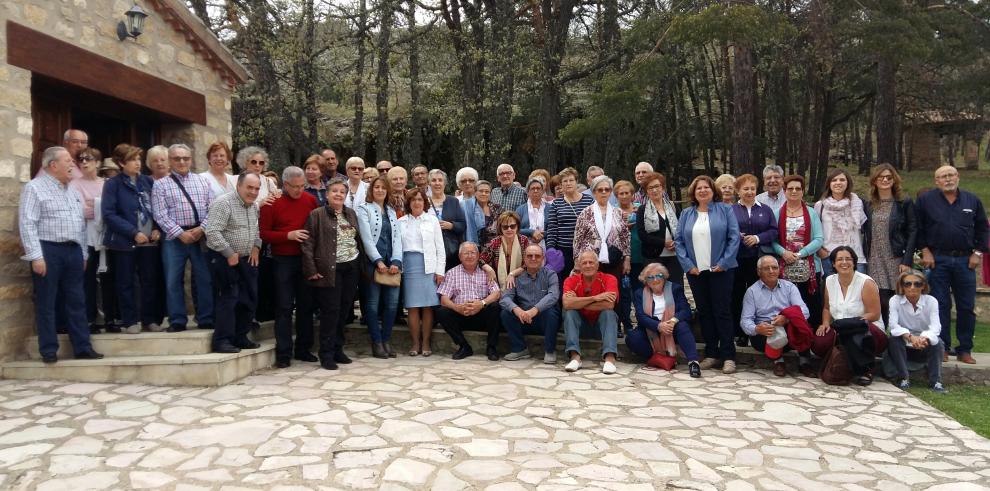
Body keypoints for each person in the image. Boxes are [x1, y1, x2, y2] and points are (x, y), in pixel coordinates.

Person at [19, 147, 102, 363]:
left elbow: (80, 225)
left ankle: (82, 347)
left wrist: (83, 253)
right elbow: (27, 224)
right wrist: (36, 256)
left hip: (73, 250)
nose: (73, 164)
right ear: (53, 165)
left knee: (77, 300)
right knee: (47, 300)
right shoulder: (34, 188)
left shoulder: (72, 191)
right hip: (48, 250)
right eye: (68, 161)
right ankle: (48, 350)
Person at [916, 165, 988, 364]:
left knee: (966, 306)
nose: (947, 179)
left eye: (951, 175)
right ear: (936, 181)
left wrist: (978, 253)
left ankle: (965, 349)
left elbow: (983, 228)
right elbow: (918, 228)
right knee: (940, 305)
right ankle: (943, 346)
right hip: (938, 259)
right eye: (942, 176)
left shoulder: (972, 200)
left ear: (958, 177)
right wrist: (925, 250)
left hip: (966, 261)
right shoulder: (925, 200)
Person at [676, 175, 741, 374]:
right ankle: (712, 354)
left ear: (713, 191)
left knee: (722, 311)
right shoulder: (686, 213)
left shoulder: (725, 210)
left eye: (706, 187)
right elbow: (678, 241)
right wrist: (688, 265)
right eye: (698, 188)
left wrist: (724, 262)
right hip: (696, 272)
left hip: (721, 270)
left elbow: (734, 237)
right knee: (704, 312)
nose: (703, 191)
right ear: (693, 193)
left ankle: (729, 356)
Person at [261, 166, 320, 368]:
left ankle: (304, 349)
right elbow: (264, 234)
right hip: (282, 260)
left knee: (306, 305)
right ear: (284, 185)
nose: (299, 190)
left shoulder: (310, 200)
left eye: (302, 186)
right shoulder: (272, 203)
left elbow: (317, 226)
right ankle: (284, 353)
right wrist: (288, 235)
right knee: (284, 307)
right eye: (295, 187)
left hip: (305, 259)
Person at [152, 144, 214, 332]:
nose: (182, 162)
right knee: (173, 280)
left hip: (200, 236)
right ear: (170, 160)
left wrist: (201, 229)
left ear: (191, 159)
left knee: (205, 278)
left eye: (185, 158)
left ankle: (206, 318)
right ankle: (177, 320)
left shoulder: (202, 181)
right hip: (173, 238)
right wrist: (180, 233)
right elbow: (159, 214)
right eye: (177, 158)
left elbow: (212, 208)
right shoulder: (160, 184)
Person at [102, 144, 163, 334]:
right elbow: (109, 214)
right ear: (121, 163)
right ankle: (130, 321)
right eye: (132, 160)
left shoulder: (148, 182)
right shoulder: (113, 184)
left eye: (138, 159)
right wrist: (132, 232)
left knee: (149, 281)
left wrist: (156, 228)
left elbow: (159, 208)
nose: (137, 163)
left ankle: (149, 319)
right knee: (125, 282)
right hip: (124, 242)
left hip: (149, 242)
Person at [301, 178, 361, 370]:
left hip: (350, 268)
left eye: (342, 192)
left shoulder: (350, 213)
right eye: (334, 191)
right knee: (330, 311)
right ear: (327, 194)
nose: (338, 194)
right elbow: (308, 244)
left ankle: (338, 349)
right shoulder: (316, 215)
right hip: (329, 270)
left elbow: (355, 238)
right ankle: (326, 353)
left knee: (344, 310)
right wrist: (311, 270)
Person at [205, 172, 263, 354]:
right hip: (224, 258)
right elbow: (212, 231)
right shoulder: (224, 203)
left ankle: (240, 336)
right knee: (229, 298)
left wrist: (256, 246)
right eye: (250, 187)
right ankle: (222, 340)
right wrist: (228, 252)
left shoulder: (253, 207)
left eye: (257, 188)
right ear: (239, 186)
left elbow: (256, 229)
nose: (253, 192)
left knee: (248, 299)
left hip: (247, 259)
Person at [814, 246, 888, 386]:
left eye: (848, 259)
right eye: (840, 259)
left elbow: (874, 314)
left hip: (867, 330)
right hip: (841, 329)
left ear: (854, 262)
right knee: (820, 343)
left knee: (855, 337)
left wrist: (849, 324)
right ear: (833, 264)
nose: (844, 262)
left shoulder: (866, 282)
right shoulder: (830, 280)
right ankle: (840, 361)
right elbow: (827, 308)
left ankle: (867, 369)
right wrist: (825, 323)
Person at [740, 256, 815, 377]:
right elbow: (745, 320)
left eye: (774, 267)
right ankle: (778, 361)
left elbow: (804, 311)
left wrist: (787, 318)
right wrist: (757, 329)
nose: (771, 271)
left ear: (779, 270)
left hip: (787, 328)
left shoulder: (790, 287)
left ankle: (805, 362)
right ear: (759, 272)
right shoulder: (752, 291)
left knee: (802, 324)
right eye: (766, 268)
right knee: (768, 331)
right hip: (766, 333)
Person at [574, 176, 632, 333]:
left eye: (607, 189)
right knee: (595, 291)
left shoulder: (618, 212)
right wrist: (577, 262)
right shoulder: (585, 213)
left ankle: (616, 325)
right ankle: (595, 326)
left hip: (614, 260)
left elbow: (625, 237)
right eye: (600, 190)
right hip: (591, 261)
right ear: (593, 192)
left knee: (614, 292)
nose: (604, 192)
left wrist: (627, 259)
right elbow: (578, 239)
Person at [863, 163, 917, 327]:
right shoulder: (869, 203)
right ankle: (882, 336)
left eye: (889, 177)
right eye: (881, 177)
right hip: (874, 257)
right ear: (875, 180)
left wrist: (907, 260)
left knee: (899, 297)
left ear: (894, 180)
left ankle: (901, 334)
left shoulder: (903, 202)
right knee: (881, 298)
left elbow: (913, 230)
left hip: (896, 257)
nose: (885, 180)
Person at [357, 176, 404, 359]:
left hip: (392, 264)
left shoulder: (392, 211)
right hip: (372, 264)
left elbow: (398, 238)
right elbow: (366, 238)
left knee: (392, 305)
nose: (380, 190)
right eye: (376, 187)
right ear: (371, 190)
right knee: (372, 304)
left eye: (383, 188)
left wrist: (396, 261)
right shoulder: (364, 209)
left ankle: (386, 340)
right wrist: (378, 261)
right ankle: (376, 342)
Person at [731, 173, 778, 347]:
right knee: (737, 295)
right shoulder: (731, 210)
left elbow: (774, 231)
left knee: (757, 296)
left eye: (752, 188)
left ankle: (758, 330)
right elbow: (725, 231)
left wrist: (758, 238)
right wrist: (736, 235)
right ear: (738, 191)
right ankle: (740, 332)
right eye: (745, 189)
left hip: (759, 260)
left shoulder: (765, 209)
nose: (750, 192)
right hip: (736, 260)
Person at [630, 262, 701, 377]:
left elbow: (685, 310)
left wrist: (673, 321)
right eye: (650, 277)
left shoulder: (675, 289)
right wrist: (658, 326)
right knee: (633, 338)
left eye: (659, 276)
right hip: (652, 328)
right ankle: (660, 357)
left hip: (673, 326)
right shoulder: (639, 293)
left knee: (683, 326)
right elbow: (641, 316)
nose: (655, 280)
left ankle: (693, 362)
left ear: (664, 277)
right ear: (645, 280)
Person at [772, 174, 825, 329]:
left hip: (809, 266)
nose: (794, 191)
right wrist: (783, 253)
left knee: (811, 304)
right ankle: (791, 338)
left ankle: (813, 337)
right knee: (788, 304)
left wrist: (800, 254)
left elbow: (819, 239)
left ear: (802, 191)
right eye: (790, 188)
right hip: (785, 266)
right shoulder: (777, 214)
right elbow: (773, 240)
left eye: (798, 188)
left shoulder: (811, 213)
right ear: (784, 191)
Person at [398, 188, 445, 356]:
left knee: (427, 306)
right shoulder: (401, 222)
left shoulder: (432, 220)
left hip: (428, 266)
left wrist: (440, 270)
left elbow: (440, 247)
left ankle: (426, 343)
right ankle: (415, 343)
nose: (416, 202)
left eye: (420, 199)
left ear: (424, 202)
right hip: (409, 266)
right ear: (408, 203)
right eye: (413, 199)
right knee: (412, 307)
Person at [69, 147, 111, 333]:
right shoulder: (74, 184)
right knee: (88, 279)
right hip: (86, 238)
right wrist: (97, 206)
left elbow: (111, 209)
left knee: (108, 277)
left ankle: (110, 318)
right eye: (81, 159)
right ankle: (90, 319)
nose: (84, 162)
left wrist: (94, 205)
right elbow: (78, 211)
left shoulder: (107, 184)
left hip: (107, 237)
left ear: (98, 162)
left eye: (89, 159)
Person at [437, 242, 502, 360]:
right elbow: (444, 298)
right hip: (461, 314)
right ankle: (464, 346)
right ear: (460, 257)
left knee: (495, 307)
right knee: (442, 311)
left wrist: (481, 304)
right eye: (466, 253)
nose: (470, 256)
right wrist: (457, 308)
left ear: (478, 256)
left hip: (481, 314)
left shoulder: (486, 272)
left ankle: (491, 347)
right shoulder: (452, 273)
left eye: (473, 253)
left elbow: (496, 293)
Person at [562, 250, 620, 374]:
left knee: (609, 313)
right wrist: (595, 298)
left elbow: (609, 304)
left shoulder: (609, 279)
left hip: (602, 328)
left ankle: (610, 358)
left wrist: (578, 302)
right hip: (581, 327)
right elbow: (567, 304)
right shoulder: (571, 281)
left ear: (597, 265)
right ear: (579, 266)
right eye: (584, 263)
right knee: (570, 313)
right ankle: (575, 357)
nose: (588, 265)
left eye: (591, 262)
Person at [500, 244, 560, 363]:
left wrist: (534, 310)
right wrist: (517, 310)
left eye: (537, 256)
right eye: (529, 256)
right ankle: (520, 348)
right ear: (524, 258)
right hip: (523, 318)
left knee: (552, 312)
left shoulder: (550, 274)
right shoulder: (516, 278)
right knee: (505, 313)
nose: (533, 258)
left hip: (543, 319)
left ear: (543, 258)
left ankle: (549, 350)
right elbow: (504, 298)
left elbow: (553, 296)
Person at [886, 271, 945, 392]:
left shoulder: (931, 301)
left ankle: (936, 382)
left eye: (917, 284)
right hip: (904, 342)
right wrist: (910, 337)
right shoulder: (895, 300)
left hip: (924, 344)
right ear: (902, 286)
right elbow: (893, 325)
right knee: (894, 340)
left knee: (938, 343)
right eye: (908, 284)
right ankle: (904, 379)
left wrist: (924, 338)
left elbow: (936, 326)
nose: (912, 287)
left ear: (923, 286)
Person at [545, 168, 595, 283]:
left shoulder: (589, 201)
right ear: (561, 184)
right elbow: (552, 229)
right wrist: (551, 250)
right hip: (563, 251)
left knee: (584, 282)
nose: (568, 183)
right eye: (565, 181)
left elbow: (594, 227)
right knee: (566, 283)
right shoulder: (556, 203)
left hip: (585, 251)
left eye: (571, 180)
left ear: (576, 182)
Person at [815, 169, 867, 276]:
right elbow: (814, 231)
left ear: (848, 183)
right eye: (834, 180)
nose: (838, 183)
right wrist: (820, 251)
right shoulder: (820, 205)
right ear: (829, 184)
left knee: (857, 291)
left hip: (855, 257)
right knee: (832, 291)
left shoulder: (857, 203)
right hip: (829, 257)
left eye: (842, 180)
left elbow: (866, 229)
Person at [636, 172, 682, 284]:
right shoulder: (642, 210)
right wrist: (663, 243)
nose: (654, 190)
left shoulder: (673, 206)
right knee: (656, 289)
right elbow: (642, 235)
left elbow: (682, 229)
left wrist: (676, 243)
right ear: (647, 191)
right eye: (650, 187)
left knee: (676, 288)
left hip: (674, 256)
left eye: (657, 186)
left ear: (662, 188)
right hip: (653, 257)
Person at [614, 179, 640, 335]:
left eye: (627, 193)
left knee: (639, 292)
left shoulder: (639, 210)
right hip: (620, 258)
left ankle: (640, 324)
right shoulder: (613, 212)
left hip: (639, 256)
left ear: (632, 195)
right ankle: (623, 324)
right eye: (620, 193)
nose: (624, 196)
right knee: (622, 293)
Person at [427, 169, 466, 270]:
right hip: (429, 248)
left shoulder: (453, 201)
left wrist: (452, 226)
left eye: (440, 180)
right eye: (434, 180)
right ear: (429, 183)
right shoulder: (423, 201)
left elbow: (462, 225)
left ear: (444, 183)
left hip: (450, 250)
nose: (437, 183)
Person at [480, 211, 530, 289]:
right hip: (499, 285)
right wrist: (489, 269)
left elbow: (529, 263)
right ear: (500, 228)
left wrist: (512, 274)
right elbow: (480, 260)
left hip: (521, 281)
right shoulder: (495, 242)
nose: (509, 229)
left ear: (517, 227)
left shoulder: (524, 240)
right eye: (505, 227)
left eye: (512, 226)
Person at [517, 177, 547, 248]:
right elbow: (515, 229)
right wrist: (531, 232)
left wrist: (541, 235)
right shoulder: (520, 209)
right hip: (524, 247)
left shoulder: (550, 208)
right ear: (528, 192)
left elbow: (553, 229)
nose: (535, 190)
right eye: (533, 188)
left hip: (545, 246)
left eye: (538, 188)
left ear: (543, 191)